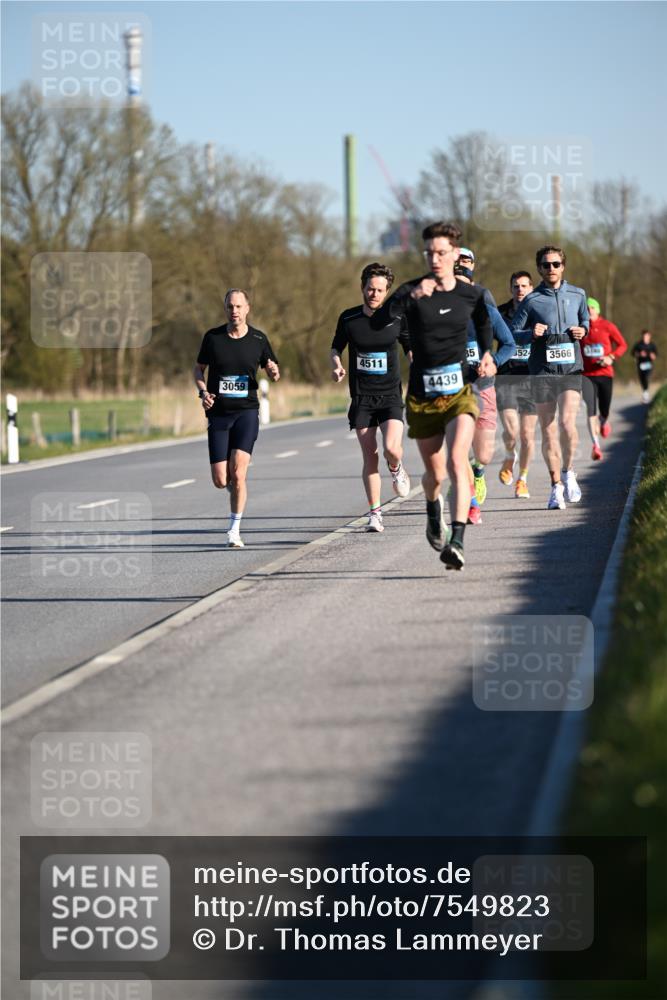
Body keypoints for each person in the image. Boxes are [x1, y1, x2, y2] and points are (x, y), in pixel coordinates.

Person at [371, 222, 495, 570]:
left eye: (442, 253)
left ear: (455, 254)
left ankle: (457, 541)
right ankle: (432, 507)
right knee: (435, 475)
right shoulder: (413, 291)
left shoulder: (470, 294)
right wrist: (409, 296)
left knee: (458, 460)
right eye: (430, 253)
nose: (436, 259)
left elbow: (484, 320)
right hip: (423, 397)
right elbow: (380, 321)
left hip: (458, 394)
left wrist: (487, 353)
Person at [193, 288, 280, 548]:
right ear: (225, 309)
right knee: (221, 479)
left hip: (246, 412)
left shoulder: (258, 338)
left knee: (239, 473)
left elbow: (273, 370)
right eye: (230, 306)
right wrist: (203, 392)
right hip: (219, 414)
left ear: (247, 309)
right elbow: (199, 369)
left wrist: (274, 371)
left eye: (239, 306)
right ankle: (235, 491)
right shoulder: (213, 338)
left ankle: (234, 530)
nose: (234, 311)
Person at [330, 262, 411, 533]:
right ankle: (375, 513)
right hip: (362, 397)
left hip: (389, 394)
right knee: (370, 456)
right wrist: (336, 365)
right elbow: (335, 348)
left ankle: (397, 467)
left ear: (386, 291)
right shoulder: (349, 318)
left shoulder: (397, 317)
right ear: (362, 288)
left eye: (379, 290)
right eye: (369, 289)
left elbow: (410, 348)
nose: (373, 294)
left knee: (391, 448)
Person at [510, 245, 589, 511]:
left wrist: (583, 330)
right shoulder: (531, 300)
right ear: (539, 269)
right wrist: (531, 332)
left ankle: (569, 472)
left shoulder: (578, 294)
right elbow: (512, 332)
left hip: (569, 370)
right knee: (547, 430)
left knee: (568, 423)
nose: (551, 269)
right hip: (542, 371)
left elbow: (585, 323)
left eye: (555, 264)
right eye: (546, 265)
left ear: (563, 266)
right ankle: (555, 486)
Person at [454, 250, 515, 524]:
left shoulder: (487, 310)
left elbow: (509, 344)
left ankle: (478, 472)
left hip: (485, 386)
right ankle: (472, 503)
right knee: (458, 447)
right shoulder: (441, 314)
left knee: (484, 454)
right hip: (455, 390)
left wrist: (494, 362)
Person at [496, 271, 537, 498]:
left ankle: (522, 479)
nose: (520, 290)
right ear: (510, 289)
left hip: (531, 379)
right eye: (516, 286)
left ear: (531, 288)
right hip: (506, 378)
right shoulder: (501, 313)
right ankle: (510, 455)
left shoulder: (539, 312)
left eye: (524, 286)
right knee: (511, 431)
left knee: (528, 435)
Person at [581, 297, 627, 460]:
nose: (589, 310)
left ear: (597, 310)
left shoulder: (607, 326)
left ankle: (604, 420)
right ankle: (596, 445)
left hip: (605, 374)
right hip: (587, 376)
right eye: (586, 308)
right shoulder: (581, 329)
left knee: (604, 409)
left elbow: (622, 345)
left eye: (592, 307)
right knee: (590, 411)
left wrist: (611, 357)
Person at [631, 329, 659, 403]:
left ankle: (646, 394)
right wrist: (639, 354)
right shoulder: (638, 344)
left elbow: (656, 354)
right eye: (644, 336)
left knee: (646, 377)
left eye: (646, 336)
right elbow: (633, 353)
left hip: (649, 364)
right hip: (640, 365)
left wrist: (653, 356)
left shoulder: (652, 345)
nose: (645, 338)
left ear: (649, 336)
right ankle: (645, 392)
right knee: (642, 379)